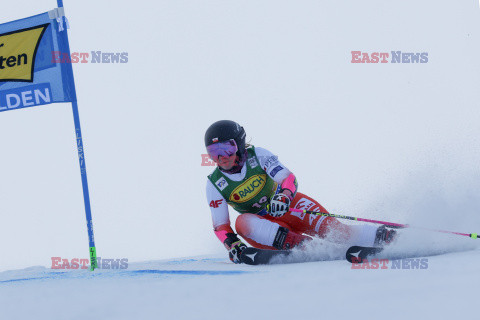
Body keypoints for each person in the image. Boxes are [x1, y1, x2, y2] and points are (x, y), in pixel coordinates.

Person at [205, 120, 395, 263]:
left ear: (238, 144)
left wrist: (284, 196)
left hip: (292, 209)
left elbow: (288, 179)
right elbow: (221, 226)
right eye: (214, 152)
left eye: (227, 149)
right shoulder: (215, 184)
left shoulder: (259, 155)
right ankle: (305, 246)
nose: (221, 157)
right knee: (242, 222)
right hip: (265, 230)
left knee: (338, 232)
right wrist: (233, 246)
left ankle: (389, 238)